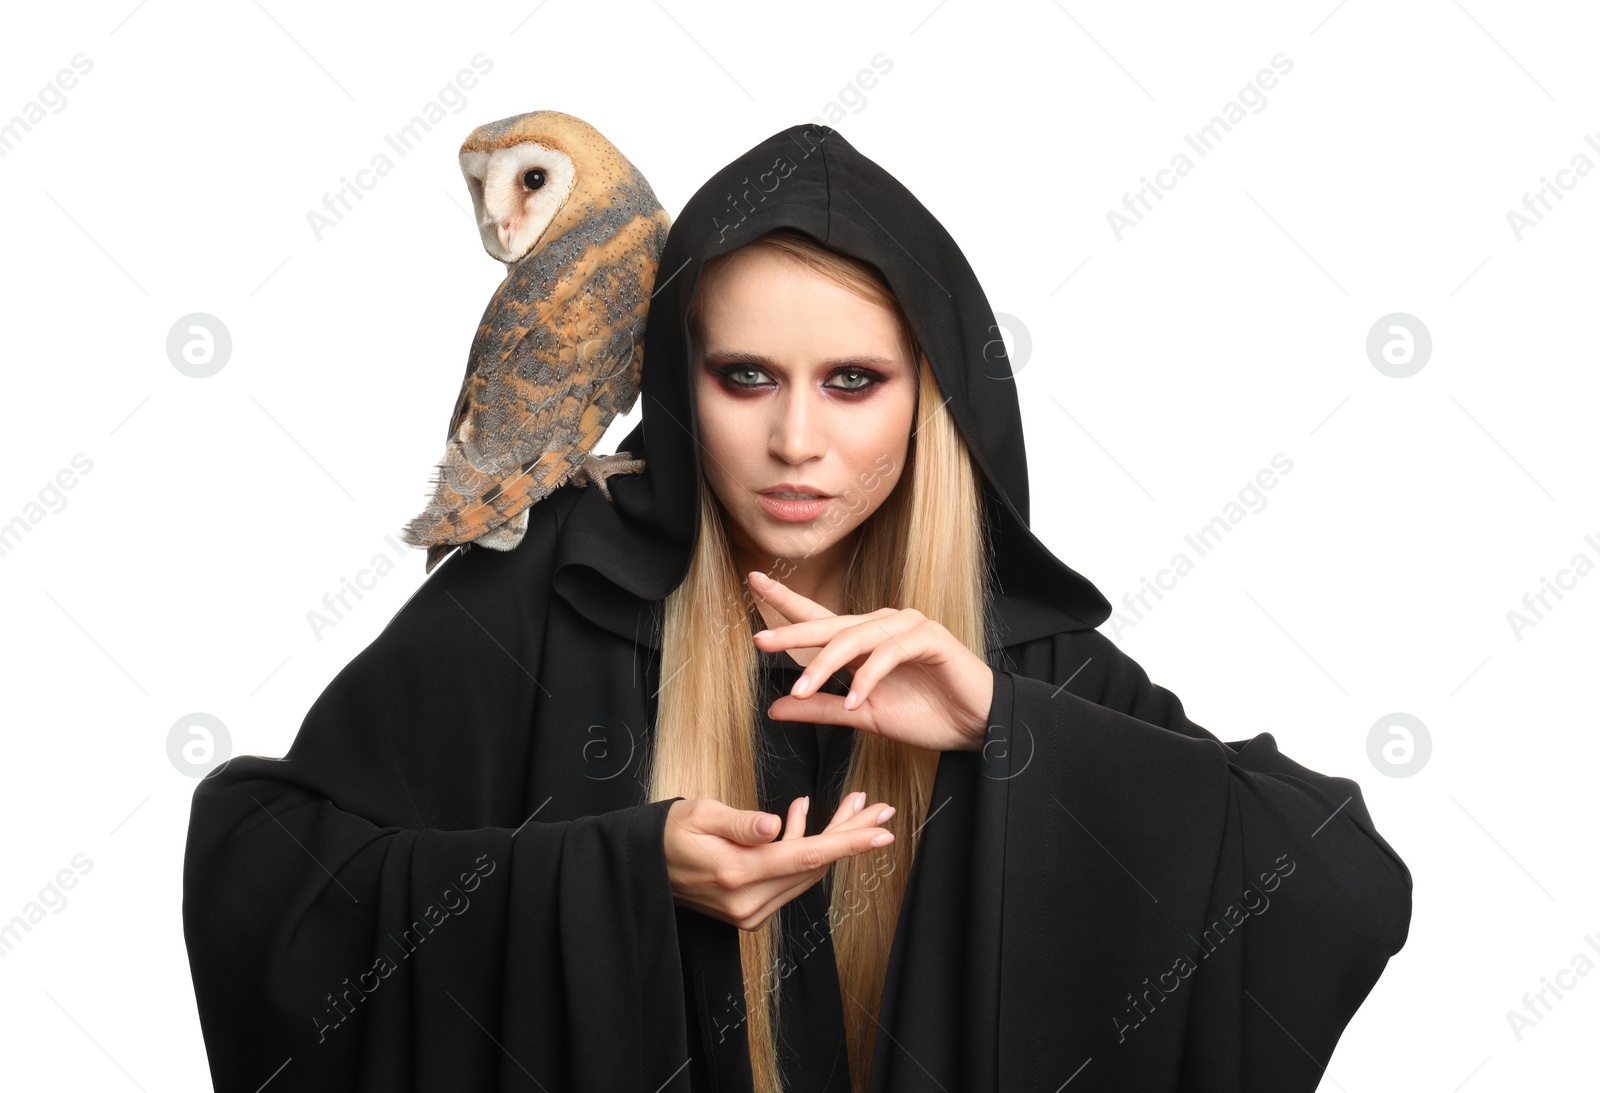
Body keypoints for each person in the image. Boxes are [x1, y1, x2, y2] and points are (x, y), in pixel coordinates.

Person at [183, 123, 1412, 1093]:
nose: (793, 441)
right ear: (677, 378)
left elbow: (1337, 888)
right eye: (746, 376)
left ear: (930, 396)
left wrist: (1004, 725)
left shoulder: (1014, 651)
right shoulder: (554, 587)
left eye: (854, 382)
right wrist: (613, 874)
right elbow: (257, 876)